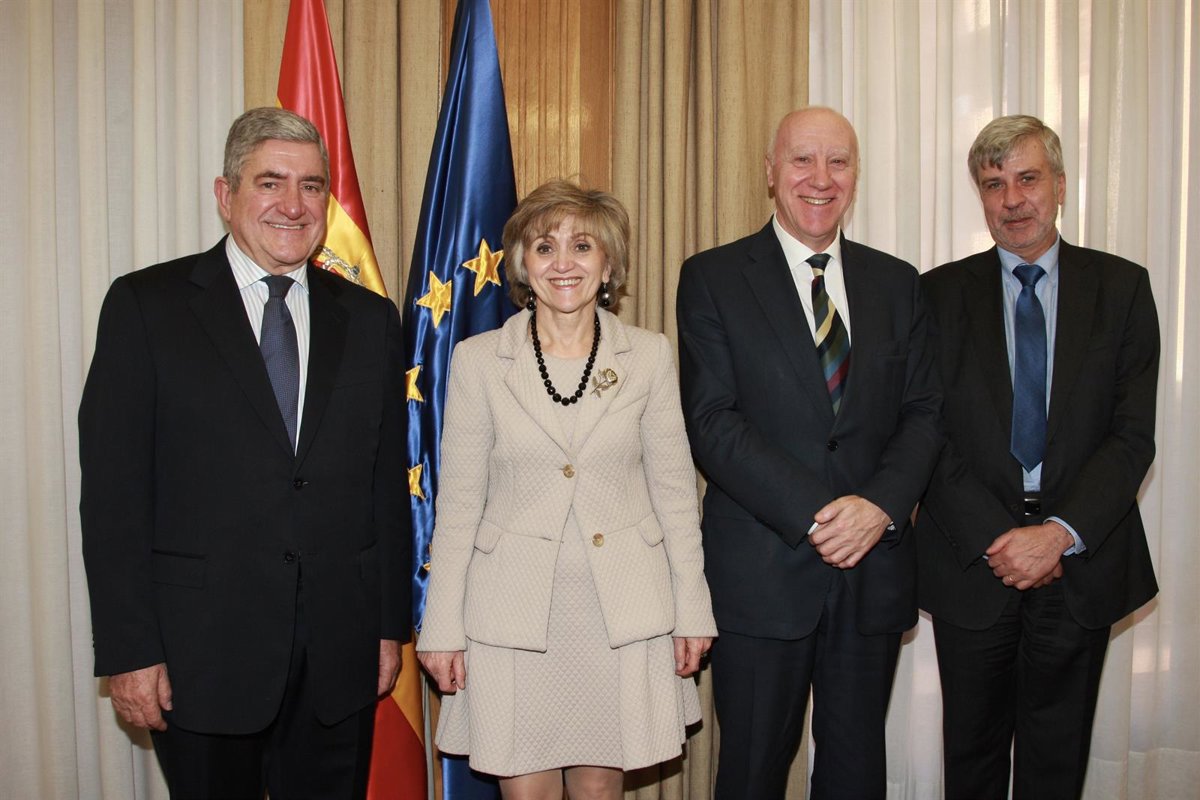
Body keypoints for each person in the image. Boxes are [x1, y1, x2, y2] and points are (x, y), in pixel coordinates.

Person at [78, 107, 410, 799]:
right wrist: (130, 650)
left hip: (338, 655)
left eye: (312, 186)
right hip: (199, 656)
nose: (293, 204)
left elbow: (384, 487)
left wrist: (387, 628)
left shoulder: (371, 319)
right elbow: (113, 496)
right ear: (225, 194)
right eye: (270, 182)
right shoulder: (147, 306)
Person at [417, 179, 715, 800]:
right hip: (512, 620)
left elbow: (676, 497)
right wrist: (440, 626)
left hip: (620, 616)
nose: (563, 264)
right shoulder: (478, 360)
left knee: (600, 790)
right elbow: (460, 504)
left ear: (608, 264)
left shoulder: (648, 357)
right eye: (544, 247)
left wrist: (693, 609)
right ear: (522, 263)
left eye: (582, 246)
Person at [675, 106, 942, 800]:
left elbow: (924, 413)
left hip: (872, 569)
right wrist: (824, 515)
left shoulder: (898, 283)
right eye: (802, 159)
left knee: (857, 774)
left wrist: (878, 507)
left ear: (856, 175)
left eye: (838, 161)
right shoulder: (713, 277)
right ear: (771, 172)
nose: (820, 178)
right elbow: (713, 422)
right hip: (762, 574)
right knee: (752, 774)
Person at [916, 115, 1159, 800]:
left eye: (1027, 178)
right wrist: (1001, 539)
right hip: (973, 560)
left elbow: (1132, 436)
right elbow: (925, 431)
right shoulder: (934, 295)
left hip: (1079, 561)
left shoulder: (1122, 288)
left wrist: (1056, 536)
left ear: (1059, 184)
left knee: (1056, 767)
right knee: (971, 761)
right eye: (994, 184)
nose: (1012, 199)